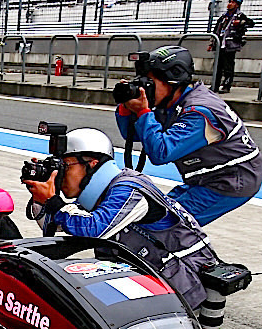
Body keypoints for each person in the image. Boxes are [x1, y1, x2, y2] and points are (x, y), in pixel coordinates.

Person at [20, 127, 217, 311]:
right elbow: (58, 225)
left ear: (92, 164)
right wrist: (40, 197)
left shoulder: (129, 190)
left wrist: (53, 202)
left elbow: (94, 229)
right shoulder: (102, 194)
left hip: (184, 284)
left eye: (65, 167)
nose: (60, 175)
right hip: (146, 275)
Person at [116, 44, 262, 225]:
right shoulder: (173, 101)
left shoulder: (199, 112)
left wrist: (144, 113)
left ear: (173, 79)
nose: (144, 88)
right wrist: (127, 108)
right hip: (205, 177)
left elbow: (161, 152)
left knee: (165, 225)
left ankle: (191, 252)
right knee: (150, 213)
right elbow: (133, 135)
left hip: (230, 180)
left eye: (149, 82)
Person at [209, 0, 251, 94]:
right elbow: (216, 30)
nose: (230, 4)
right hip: (220, 44)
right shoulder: (223, 16)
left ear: (237, 5)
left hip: (230, 45)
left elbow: (250, 23)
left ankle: (226, 85)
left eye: (232, 2)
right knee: (217, 66)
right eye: (230, 2)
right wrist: (211, 43)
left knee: (228, 66)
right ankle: (215, 85)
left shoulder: (240, 16)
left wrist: (240, 23)